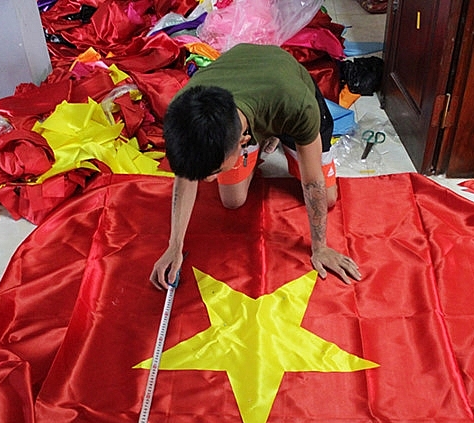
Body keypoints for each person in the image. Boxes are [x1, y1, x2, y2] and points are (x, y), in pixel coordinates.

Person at [150, 43, 361, 290]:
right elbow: (185, 175)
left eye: (215, 171)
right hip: (244, 91)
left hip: (285, 88)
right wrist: (174, 246)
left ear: (242, 142)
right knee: (233, 200)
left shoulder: (298, 106)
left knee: (328, 198)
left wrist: (320, 247)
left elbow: (312, 181)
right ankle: (266, 139)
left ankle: (277, 136)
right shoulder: (185, 113)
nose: (208, 181)